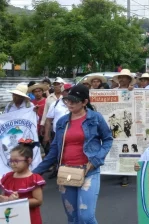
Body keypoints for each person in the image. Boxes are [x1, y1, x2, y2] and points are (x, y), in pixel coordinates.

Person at [33, 84, 113, 224]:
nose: (69, 103)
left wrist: (95, 161)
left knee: (86, 217)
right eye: (68, 100)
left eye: (74, 101)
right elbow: (54, 150)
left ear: (84, 102)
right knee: (73, 217)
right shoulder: (63, 122)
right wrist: (35, 173)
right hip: (66, 172)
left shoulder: (95, 118)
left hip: (88, 172)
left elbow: (107, 140)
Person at [0, 139, 45, 224]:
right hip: (11, 217)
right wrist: (4, 199)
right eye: (11, 161)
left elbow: (38, 200)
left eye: (16, 161)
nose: (13, 163)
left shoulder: (34, 179)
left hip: (30, 218)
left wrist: (18, 201)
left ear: (29, 160)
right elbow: (4, 196)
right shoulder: (8, 177)